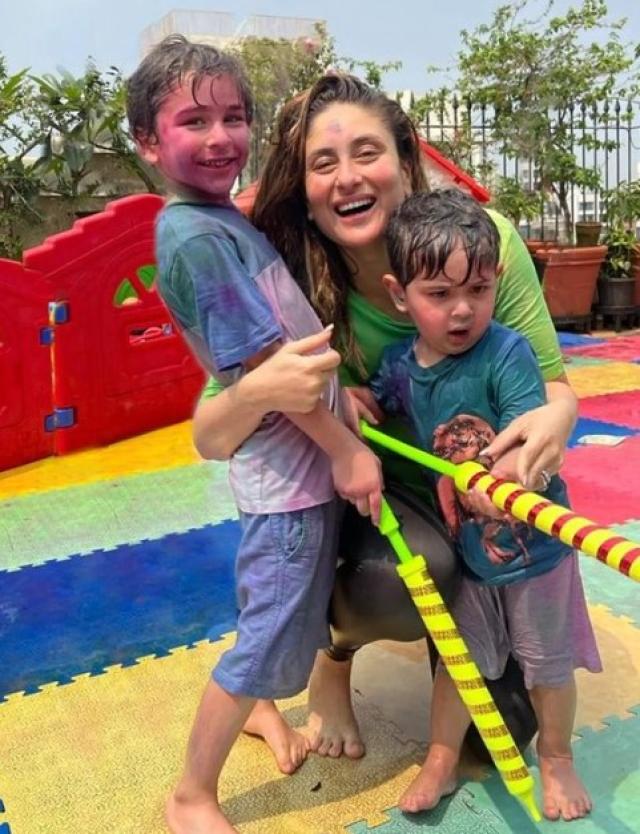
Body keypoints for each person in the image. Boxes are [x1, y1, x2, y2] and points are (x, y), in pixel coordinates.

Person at [192, 74, 579, 766]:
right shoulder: (287, 283)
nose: (347, 177)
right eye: (323, 163)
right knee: (402, 577)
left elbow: (555, 390)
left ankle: (457, 634)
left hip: (478, 504)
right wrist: (269, 390)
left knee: (493, 746)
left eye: (366, 152)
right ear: (304, 190)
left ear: (406, 160)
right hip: (368, 498)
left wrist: (555, 425)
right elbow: (210, 436)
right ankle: (333, 659)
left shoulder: (481, 246)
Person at [126, 38, 384, 834]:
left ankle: (260, 710)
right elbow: (269, 370)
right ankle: (191, 795)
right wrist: (345, 448)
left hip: (299, 456)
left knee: (279, 612)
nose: (220, 138)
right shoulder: (198, 238)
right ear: (147, 142)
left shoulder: (218, 222)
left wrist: (344, 402)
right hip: (289, 475)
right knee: (271, 627)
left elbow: (287, 340)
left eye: (234, 117)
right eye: (193, 121)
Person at [364, 189, 601, 821]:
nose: (463, 308)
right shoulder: (399, 367)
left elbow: (527, 436)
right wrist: (358, 403)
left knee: (547, 668)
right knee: (458, 664)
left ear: (497, 280)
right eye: (439, 294)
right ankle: (441, 757)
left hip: (536, 556)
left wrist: (501, 476)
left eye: (479, 289)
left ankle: (557, 757)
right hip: (468, 556)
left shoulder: (508, 353)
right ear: (399, 295)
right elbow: (380, 404)